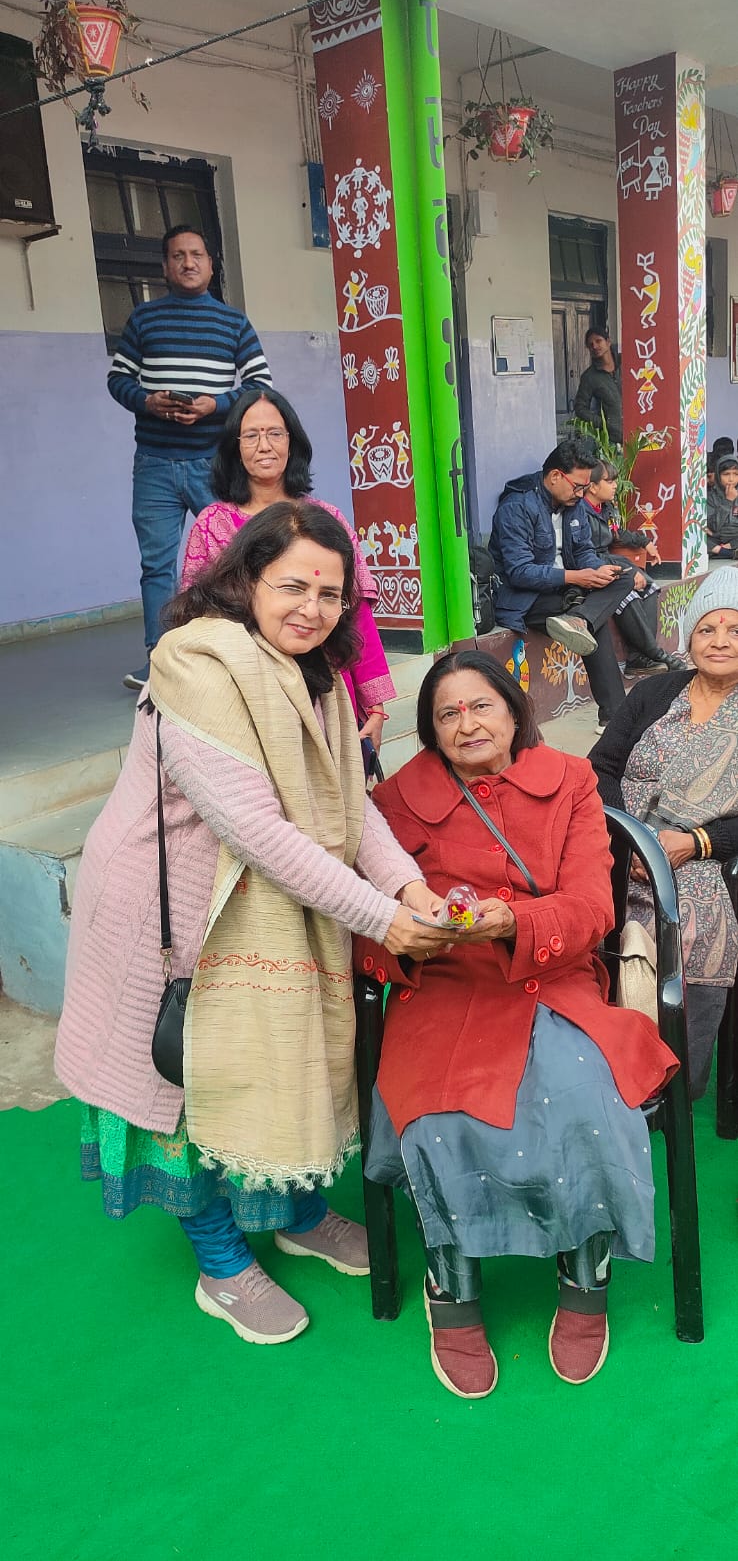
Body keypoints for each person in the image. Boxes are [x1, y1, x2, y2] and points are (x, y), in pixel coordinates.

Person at [55, 504, 452, 1347]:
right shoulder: (196, 665)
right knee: (187, 1089)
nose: (313, 607)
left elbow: (350, 807)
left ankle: (296, 1213)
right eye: (293, 585)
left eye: (331, 594)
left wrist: (408, 886)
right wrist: (383, 917)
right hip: (167, 917)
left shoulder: (317, 675)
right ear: (245, 578)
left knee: (280, 1061)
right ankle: (220, 1259)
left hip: (264, 911)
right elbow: (261, 833)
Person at [355, 650, 677, 1398]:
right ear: (430, 729)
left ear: (513, 709)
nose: (466, 724)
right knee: (438, 1110)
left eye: (481, 706)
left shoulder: (570, 780)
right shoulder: (396, 800)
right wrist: (411, 938)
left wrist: (513, 922)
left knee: (587, 1095)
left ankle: (584, 1270)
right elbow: (363, 920)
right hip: (444, 986)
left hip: (552, 976)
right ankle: (452, 1283)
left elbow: (593, 906)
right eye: (447, 713)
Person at [590, 569, 738, 1099]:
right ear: (689, 638)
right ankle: (607, 1063)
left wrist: (695, 843)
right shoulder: (654, 692)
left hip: (702, 857)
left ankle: (674, 1075)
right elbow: (600, 767)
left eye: (735, 630)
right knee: (584, 910)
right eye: (707, 629)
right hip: (624, 842)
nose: (719, 641)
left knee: (692, 920)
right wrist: (631, 836)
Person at [181, 387, 395, 752]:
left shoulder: (325, 519)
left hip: (328, 688)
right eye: (251, 435)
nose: (264, 445)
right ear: (235, 448)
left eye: (275, 433)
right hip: (250, 696)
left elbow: (355, 613)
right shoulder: (212, 525)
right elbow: (198, 623)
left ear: (292, 442)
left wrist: (374, 705)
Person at [108, 223, 271, 690]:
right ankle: (160, 660)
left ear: (211, 265)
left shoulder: (233, 323)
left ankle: (245, 648)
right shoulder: (144, 319)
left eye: (196, 254)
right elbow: (118, 379)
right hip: (154, 463)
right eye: (178, 255)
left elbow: (260, 385)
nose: (188, 262)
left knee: (235, 554)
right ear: (165, 267)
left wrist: (214, 406)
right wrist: (148, 401)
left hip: (213, 463)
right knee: (157, 567)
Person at [490, 438, 638, 731]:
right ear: (556, 476)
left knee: (623, 575)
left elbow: (583, 551)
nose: (581, 494)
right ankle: (614, 716)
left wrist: (597, 570)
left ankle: (579, 620)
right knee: (594, 622)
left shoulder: (573, 504)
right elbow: (519, 572)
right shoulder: (517, 507)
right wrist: (576, 577)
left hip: (567, 592)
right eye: (578, 487)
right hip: (526, 599)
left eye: (585, 488)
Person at [584, 461, 681, 675]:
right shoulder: (579, 512)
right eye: (609, 481)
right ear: (592, 486)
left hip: (609, 560)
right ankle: (656, 653)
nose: (615, 485)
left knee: (650, 587)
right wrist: (627, 570)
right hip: (591, 567)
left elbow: (617, 533)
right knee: (627, 594)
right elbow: (584, 555)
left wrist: (644, 542)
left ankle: (639, 658)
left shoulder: (606, 508)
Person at [572, 325, 623, 444]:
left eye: (598, 341)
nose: (594, 346)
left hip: (639, 433)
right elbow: (580, 408)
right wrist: (603, 424)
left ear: (608, 342)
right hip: (612, 440)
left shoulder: (628, 362)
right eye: (590, 345)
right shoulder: (589, 377)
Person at [706, 453, 738, 559]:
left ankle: (723, 551)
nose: (731, 479)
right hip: (716, 540)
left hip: (735, 539)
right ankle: (729, 553)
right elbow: (713, 527)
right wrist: (728, 501)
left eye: (736, 474)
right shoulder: (711, 497)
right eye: (726, 474)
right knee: (697, 537)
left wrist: (732, 544)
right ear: (718, 476)